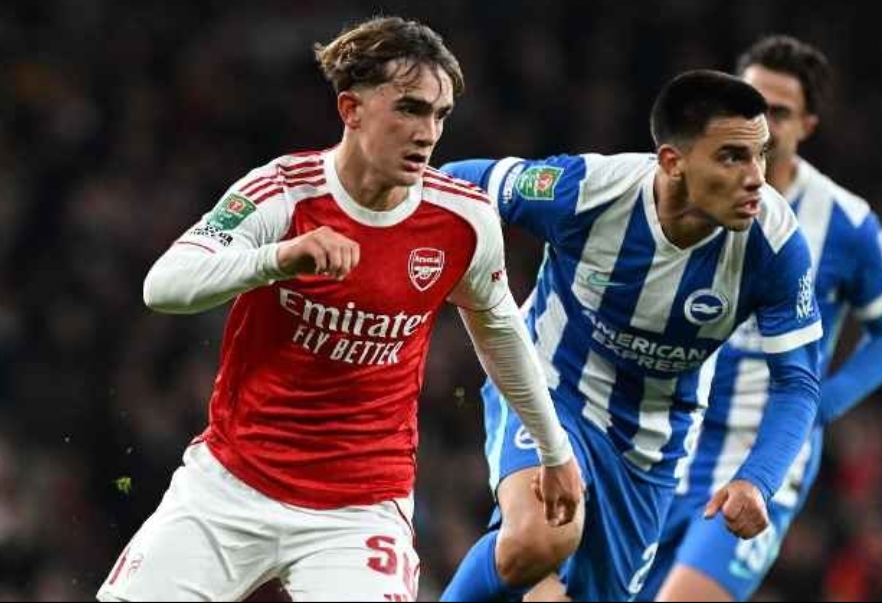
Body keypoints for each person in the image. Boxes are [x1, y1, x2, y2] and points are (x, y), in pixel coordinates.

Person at [95, 16, 583, 602]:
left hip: (359, 510)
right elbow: (164, 285)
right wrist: (279, 258)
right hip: (231, 485)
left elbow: (501, 331)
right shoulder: (284, 190)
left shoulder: (463, 219)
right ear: (351, 109)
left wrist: (555, 450)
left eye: (440, 115)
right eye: (409, 109)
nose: (427, 133)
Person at [439, 69, 824, 602]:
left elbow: (797, 382)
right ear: (672, 161)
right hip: (550, 389)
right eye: (732, 157)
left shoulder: (775, 245)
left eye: (760, 155)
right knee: (537, 539)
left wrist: (758, 478)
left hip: (651, 443)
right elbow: (457, 181)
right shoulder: (589, 191)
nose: (756, 177)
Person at [638, 36, 882, 602]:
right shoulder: (679, 191)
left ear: (807, 125)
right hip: (664, 439)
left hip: (760, 457)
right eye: (751, 102)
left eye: (780, 112)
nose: (762, 122)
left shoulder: (845, 222)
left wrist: (822, 404)